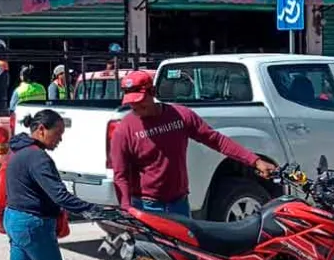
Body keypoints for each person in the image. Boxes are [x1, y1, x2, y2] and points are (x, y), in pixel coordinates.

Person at [110, 70, 275, 216]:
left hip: (179, 203)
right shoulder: (124, 130)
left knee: (184, 251)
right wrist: (127, 208)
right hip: (146, 206)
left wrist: (255, 161)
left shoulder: (180, 116)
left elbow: (217, 141)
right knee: (151, 252)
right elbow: (121, 174)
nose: (136, 106)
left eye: (140, 100)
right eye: (131, 102)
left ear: (152, 92)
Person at [1, 110, 97, 260]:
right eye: (58, 133)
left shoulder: (18, 150)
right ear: (42, 130)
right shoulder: (38, 158)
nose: (60, 139)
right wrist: (92, 209)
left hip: (14, 219)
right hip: (33, 224)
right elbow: (59, 196)